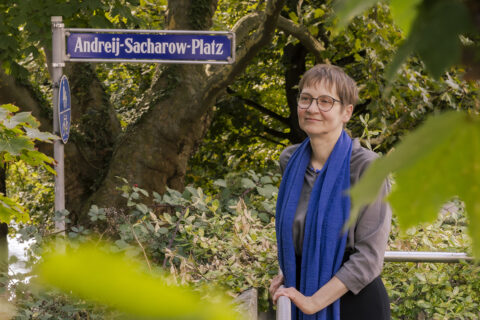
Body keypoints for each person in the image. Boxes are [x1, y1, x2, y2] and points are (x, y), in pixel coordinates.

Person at [270, 64, 391, 320]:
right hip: (301, 292)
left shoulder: (366, 168)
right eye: (306, 98)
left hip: (355, 303)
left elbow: (369, 257)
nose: (312, 108)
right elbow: (303, 234)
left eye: (326, 101)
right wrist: (287, 275)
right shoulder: (290, 161)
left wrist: (314, 302)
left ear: (347, 112)